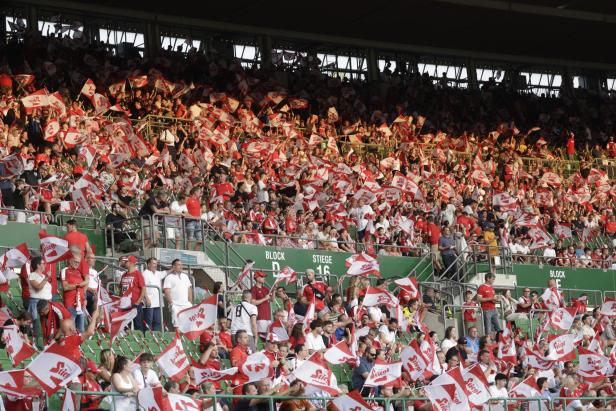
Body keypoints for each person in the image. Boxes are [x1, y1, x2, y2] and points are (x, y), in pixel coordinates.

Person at [60, 255, 89, 332]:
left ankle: (78, 344)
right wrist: (79, 285)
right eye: (75, 261)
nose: (77, 264)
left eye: (78, 262)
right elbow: (65, 287)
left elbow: (84, 287)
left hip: (81, 304)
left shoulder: (79, 272)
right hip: (70, 304)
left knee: (81, 330)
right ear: (70, 260)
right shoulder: (65, 270)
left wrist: (85, 298)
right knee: (70, 329)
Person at [27, 256, 51, 340]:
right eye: (43, 263)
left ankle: (45, 342)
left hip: (47, 303)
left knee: (46, 324)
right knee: (36, 324)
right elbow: (38, 287)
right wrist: (46, 278)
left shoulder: (43, 276)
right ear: (38, 265)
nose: (45, 265)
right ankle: (36, 342)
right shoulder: (32, 275)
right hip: (36, 303)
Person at [163, 259, 193, 327]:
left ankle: (186, 338)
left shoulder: (185, 276)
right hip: (175, 305)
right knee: (177, 325)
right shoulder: (169, 277)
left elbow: (189, 289)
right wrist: (171, 304)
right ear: (173, 266)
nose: (181, 266)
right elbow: (166, 291)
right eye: (179, 265)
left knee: (188, 324)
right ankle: (178, 337)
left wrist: (190, 302)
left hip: (186, 304)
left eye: (181, 265)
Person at [120, 255, 147, 332]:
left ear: (131, 263)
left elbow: (143, 288)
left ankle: (140, 342)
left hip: (135, 304)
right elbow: (120, 289)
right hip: (125, 304)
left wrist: (138, 302)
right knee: (125, 325)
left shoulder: (138, 274)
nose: (124, 263)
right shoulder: (124, 275)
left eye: (126, 261)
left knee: (138, 325)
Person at [141, 257, 167, 331]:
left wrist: (173, 268)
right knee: (148, 322)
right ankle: (147, 339)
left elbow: (166, 273)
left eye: (156, 263)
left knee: (158, 322)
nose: (155, 265)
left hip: (158, 302)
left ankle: (155, 339)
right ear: (148, 264)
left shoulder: (157, 273)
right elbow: (143, 287)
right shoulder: (145, 273)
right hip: (149, 303)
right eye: (154, 263)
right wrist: (147, 298)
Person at [251, 271, 273, 337]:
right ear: (257, 278)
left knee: (267, 337)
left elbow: (272, 300)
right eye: (262, 277)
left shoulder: (266, 289)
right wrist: (265, 299)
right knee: (261, 336)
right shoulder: (253, 289)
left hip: (268, 317)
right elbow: (253, 302)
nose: (264, 278)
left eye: (264, 277)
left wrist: (274, 290)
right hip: (260, 317)